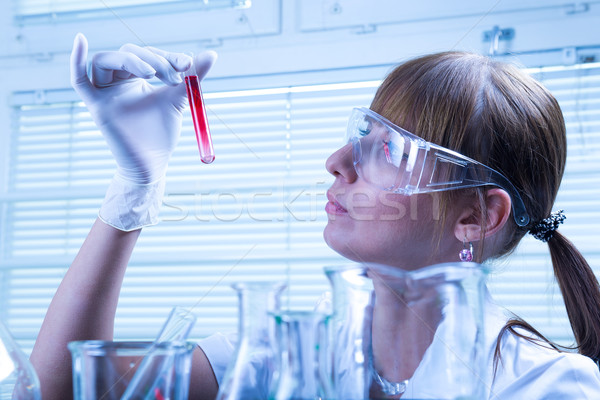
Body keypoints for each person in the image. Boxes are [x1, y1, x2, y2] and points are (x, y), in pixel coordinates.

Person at [30, 33, 600, 399]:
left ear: (475, 215)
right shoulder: (291, 350)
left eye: (387, 148)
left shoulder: (546, 387)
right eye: (359, 134)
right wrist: (134, 188)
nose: (336, 163)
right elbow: (66, 389)